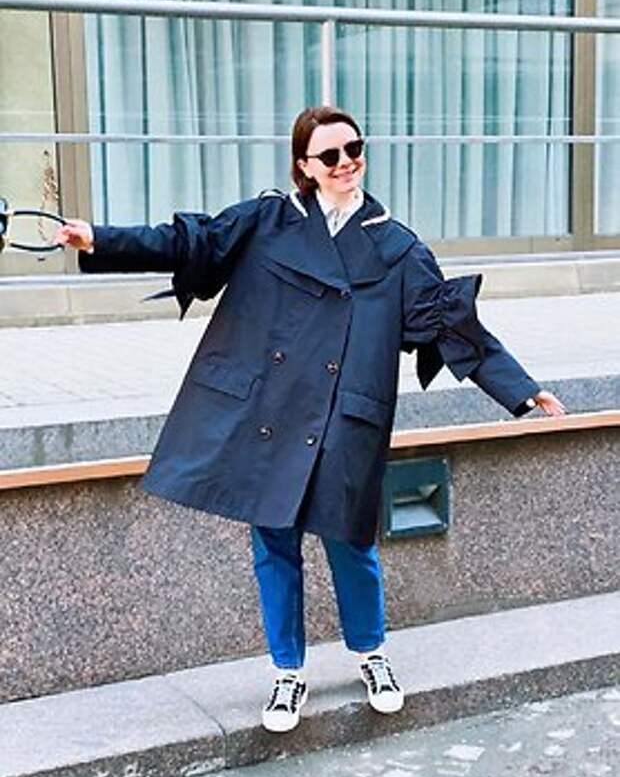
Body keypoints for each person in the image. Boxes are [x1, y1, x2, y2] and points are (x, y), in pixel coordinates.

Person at [57, 105, 566, 733]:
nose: (346, 162)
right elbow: (189, 242)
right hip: (270, 410)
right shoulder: (270, 220)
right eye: (330, 155)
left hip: (344, 415)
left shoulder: (396, 246)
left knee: (352, 544)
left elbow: (452, 326)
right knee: (274, 544)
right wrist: (98, 238)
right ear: (305, 165)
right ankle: (287, 673)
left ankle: (371, 656)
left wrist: (523, 391)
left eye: (354, 148)